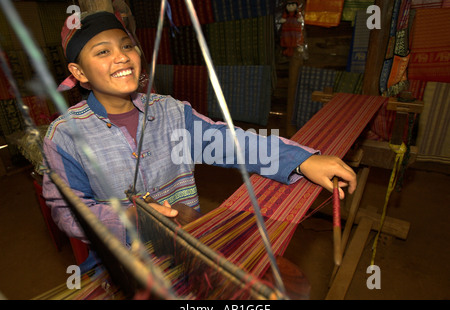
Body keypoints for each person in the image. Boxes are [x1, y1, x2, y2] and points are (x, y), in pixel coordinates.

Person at [43, 11, 356, 260]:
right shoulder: (66, 136)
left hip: (187, 243)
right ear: (80, 73)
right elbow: (68, 211)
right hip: (122, 260)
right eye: (103, 51)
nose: (122, 56)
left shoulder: (170, 113)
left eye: (126, 46)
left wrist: (301, 161)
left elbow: (232, 144)